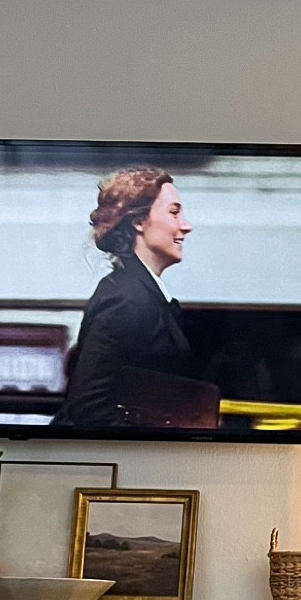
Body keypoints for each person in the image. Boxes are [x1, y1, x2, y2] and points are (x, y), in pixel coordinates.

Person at [50, 167, 198, 429]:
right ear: (138, 222)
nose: (186, 226)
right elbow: (88, 406)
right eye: (174, 212)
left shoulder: (138, 292)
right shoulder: (126, 299)